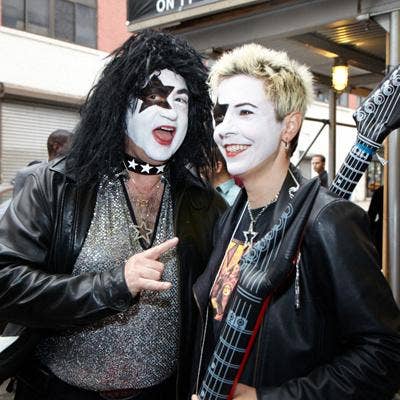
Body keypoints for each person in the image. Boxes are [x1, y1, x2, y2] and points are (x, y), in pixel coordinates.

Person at [0, 30, 225, 400]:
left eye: (182, 101)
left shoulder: (205, 204)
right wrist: (113, 285)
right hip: (60, 393)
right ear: (120, 104)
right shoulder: (55, 185)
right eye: (154, 97)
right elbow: (6, 281)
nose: (171, 111)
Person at [191, 44, 400, 400]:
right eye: (221, 115)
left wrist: (268, 397)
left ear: (289, 125)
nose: (224, 129)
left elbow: (385, 355)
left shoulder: (329, 220)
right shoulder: (229, 219)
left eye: (245, 112)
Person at [12, 129, 73, 196]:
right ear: (56, 147)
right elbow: (17, 202)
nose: (74, 150)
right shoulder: (26, 174)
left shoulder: (72, 175)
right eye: (71, 146)